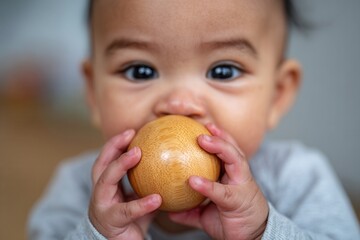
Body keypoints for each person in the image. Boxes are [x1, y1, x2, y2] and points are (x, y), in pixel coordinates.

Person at [28, 0, 360, 239]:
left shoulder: (299, 179)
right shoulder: (76, 189)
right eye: (140, 71)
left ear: (277, 94)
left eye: (223, 71)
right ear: (93, 92)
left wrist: (262, 232)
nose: (179, 105)